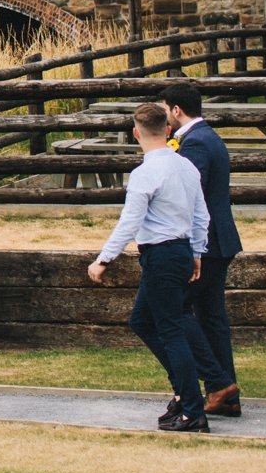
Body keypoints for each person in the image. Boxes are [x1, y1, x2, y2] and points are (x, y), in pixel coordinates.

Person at [87, 101, 211, 432]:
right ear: (167, 130)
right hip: (181, 251)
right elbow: (201, 214)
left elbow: (130, 221)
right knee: (142, 320)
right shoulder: (186, 167)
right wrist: (196, 252)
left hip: (161, 253)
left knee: (170, 329)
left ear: (135, 133)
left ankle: (192, 407)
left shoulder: (145, 173)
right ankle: (183, 391)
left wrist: (104, 259)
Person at [165, 82, 243, 418]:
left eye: (166, 110)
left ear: (176, 110)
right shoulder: (209, 136)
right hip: (220, 239)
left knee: (177, 311)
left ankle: (217, 382)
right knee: (211, 317)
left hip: (205, 243)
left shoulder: (194, 143)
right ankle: (227, 393)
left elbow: (187, 194)